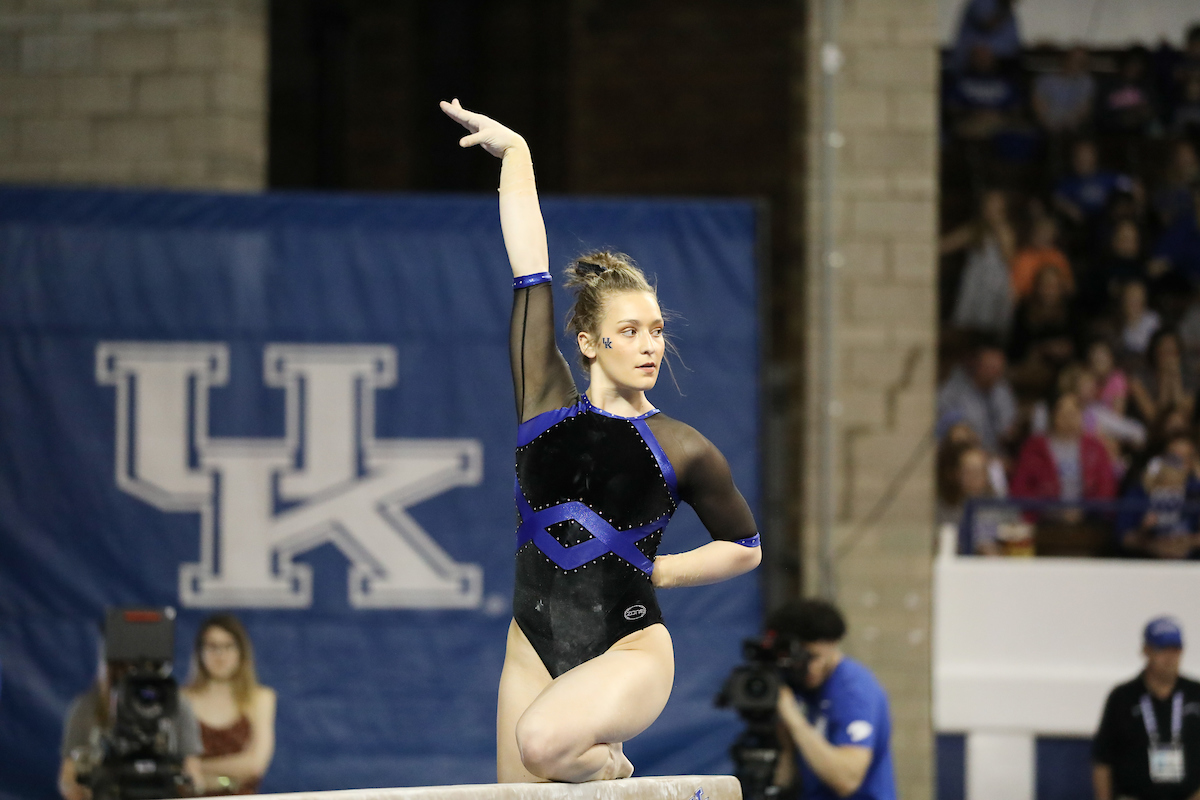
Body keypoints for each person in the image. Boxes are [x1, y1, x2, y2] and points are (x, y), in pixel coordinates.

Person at [439, 98, 762, 783]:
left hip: (630, 649)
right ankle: (598, 772)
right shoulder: (543, 405)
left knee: (544, 744)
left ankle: (611, 770)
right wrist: (519, 154)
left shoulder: (681, 447)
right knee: (522, 784)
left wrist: (668, 570)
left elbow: (746, 550)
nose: (649, 345)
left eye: (657, 330)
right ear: (587, 342)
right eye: (631, 331)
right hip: (531, 644)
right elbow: (529, 269)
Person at [769, 599, 896, 800]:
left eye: (814, 657)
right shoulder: (796, 686)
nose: (808, 669)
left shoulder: (855, 690)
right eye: (800, 661)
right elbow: (785, 776)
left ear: (832, 644)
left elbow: (847, 780)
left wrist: (794, 720)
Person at [60, 650, 204, 800]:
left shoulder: (174, 704)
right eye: (126, 667)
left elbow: (193, 774)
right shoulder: (88, 706)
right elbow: (69, 778)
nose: (134, 674)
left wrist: (187, 783)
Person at [1093, 617, 1200, 800]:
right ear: (1146, 651)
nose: (1169, 658)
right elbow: (1102, 759)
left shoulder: (1195, 694)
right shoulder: (1123, 697)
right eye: (1162, 649)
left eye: (1175, 650)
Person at [182, 614, 276, 795]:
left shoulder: (260, 698)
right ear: (199, 652)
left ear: (241, 651)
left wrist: (201, 768)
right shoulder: (182, 699)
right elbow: (179, 770)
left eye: (228, 646)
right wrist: (229, 776)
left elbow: (255, 765)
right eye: (212, 646)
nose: (221, 655)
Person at [942, 189, 1017, 335]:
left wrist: (999, 230)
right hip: (975, 284)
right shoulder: (974, 229)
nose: (991, 209)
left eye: (996, 206)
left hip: (996, 286)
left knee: (992, 330)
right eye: (988, 205)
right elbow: (946, 245)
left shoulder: (1006, 231)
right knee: (968, 329)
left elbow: (1010, 259)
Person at [937, 336, 1018, 456]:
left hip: (998, 459)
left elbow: (1008, 429)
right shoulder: (951, 393)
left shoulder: (1002, 389)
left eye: (998, 367)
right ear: (974, 363)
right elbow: (954, 438)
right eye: (990, 367)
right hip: (965, 459)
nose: (995, 372)